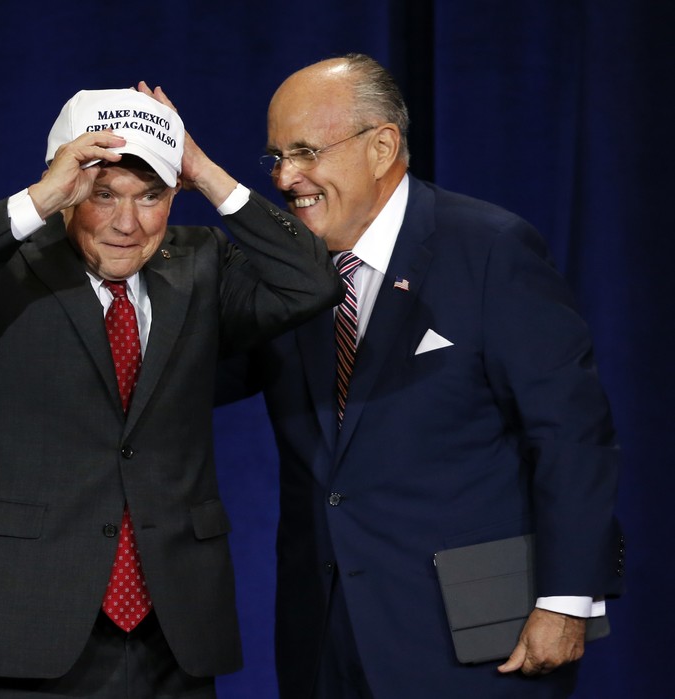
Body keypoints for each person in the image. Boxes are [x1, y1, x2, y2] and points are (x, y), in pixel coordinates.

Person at [0, 85, 342, 698]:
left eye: (150, 195)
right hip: (28, 625)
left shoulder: (203, 265)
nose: (128, 224)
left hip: (173, 630)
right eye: (104, 195)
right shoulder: (1, 275)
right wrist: (43, 196)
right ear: (67, 188)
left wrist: (204, 170)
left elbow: (312, 282)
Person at [219, 54, 624, 698]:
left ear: (381, 146)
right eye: (276, 158)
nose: (287, 177)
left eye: (304, 152)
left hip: (479, 637)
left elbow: (571, 433)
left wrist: (568, 597)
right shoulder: (284, 271)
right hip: (325, 637)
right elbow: (195, 377)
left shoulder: (489, 249)